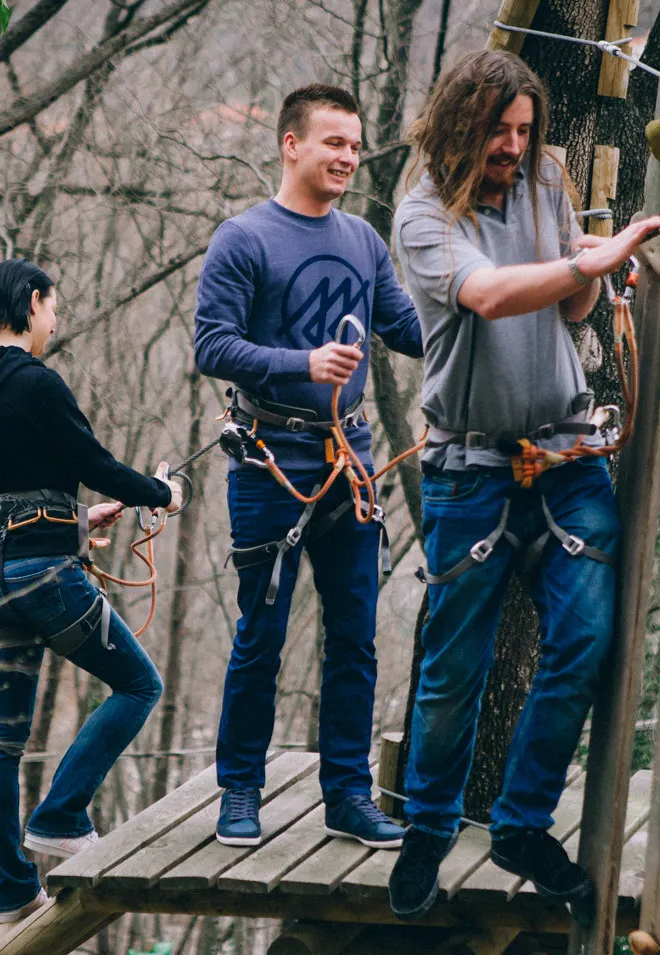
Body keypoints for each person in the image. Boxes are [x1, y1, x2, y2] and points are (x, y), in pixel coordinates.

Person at [386, 50, 660, 920]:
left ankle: (519, 825)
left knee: (584, 641)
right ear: (457, 127)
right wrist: (587, 263)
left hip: (565, 459)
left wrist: (593, 264)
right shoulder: (423, 214)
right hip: (469, 470)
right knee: (453, 672)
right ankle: (429, 829)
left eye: (522, 129)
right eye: (496, 130)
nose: (512, 145)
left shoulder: (547, 177)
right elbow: (490, 295)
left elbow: (571, 308)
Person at [194, 84, 424, 849]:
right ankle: (240, 791)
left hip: (349, 460)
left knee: (354, 638)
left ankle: (348, 796)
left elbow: (408, 327)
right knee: (260, 634)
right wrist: (304, 362)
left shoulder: (363, 240)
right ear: (291, 144)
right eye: (334, 143)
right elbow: (212, 345)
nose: (348, 157)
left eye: (354, 146)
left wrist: (491, 307)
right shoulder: (244, 238)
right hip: (270, 461)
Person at [0, 258, 183, 923]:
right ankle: (61, 815)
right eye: (52, 308)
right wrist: (162, 493)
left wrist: (77, 520)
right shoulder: (37, 382)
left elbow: (14, 484)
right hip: (45, 577)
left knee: (0, 741)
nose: (54, 321)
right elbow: (93, 462)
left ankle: (10, 893)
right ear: (31, 302)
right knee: (139, 686)